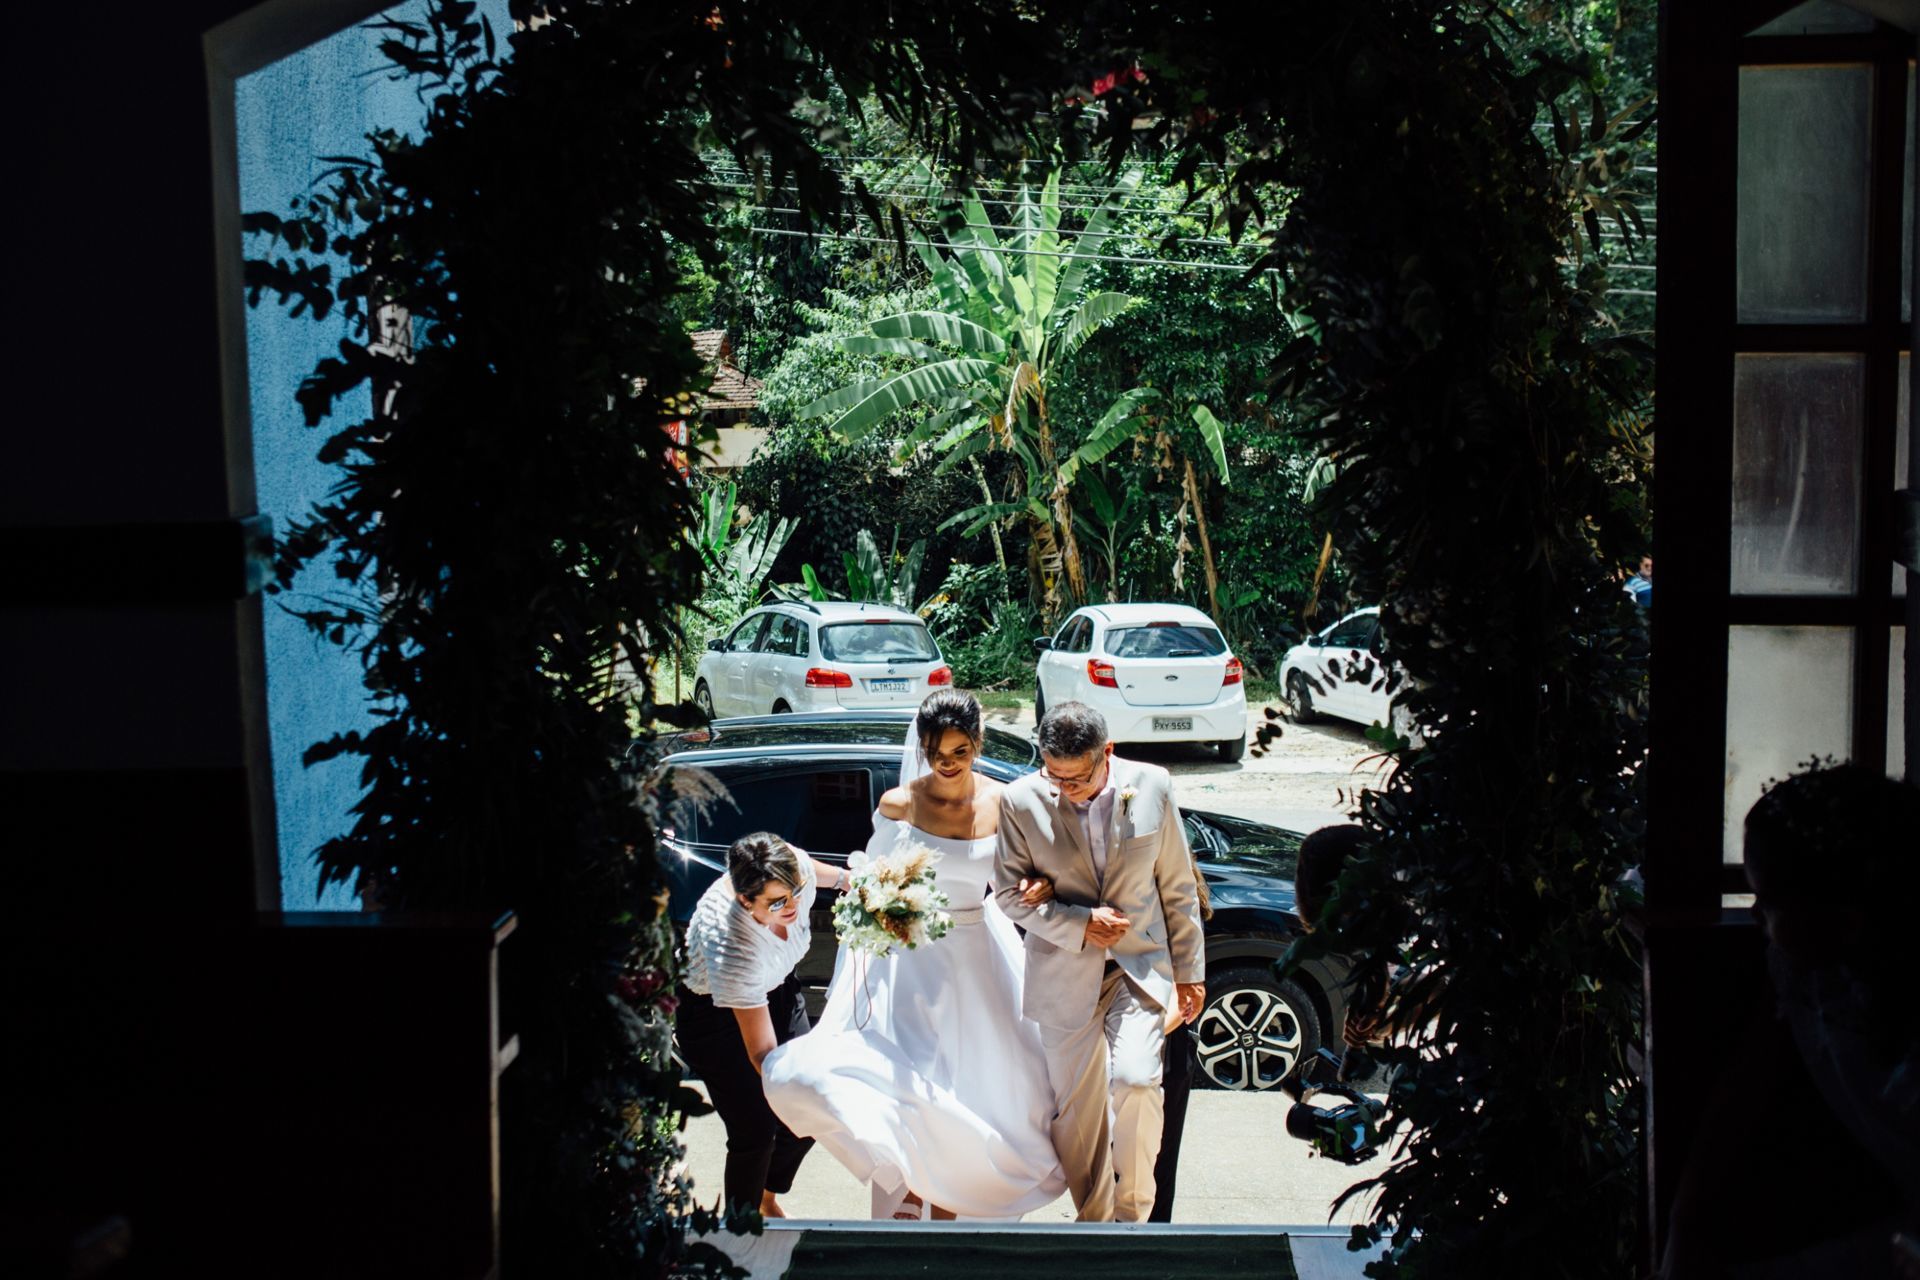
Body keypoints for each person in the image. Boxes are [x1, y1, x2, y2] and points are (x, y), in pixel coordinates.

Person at [762, 689, 1066, 1220]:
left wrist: (1038, 886)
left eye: (959, 752)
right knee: (913, 1088)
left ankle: (959, 1207)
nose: (946, 765)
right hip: (912, 967)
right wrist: (883, 908)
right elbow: (873, 880)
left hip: (980, 962)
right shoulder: (899, 804)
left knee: (982, 1091)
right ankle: (911, 1200)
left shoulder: (1006, 802)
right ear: (922, 749)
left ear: (977, 744)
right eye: (935, 753)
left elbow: (1025, 873)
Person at [994, 701, 1208, 1223]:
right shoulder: (1019, 801)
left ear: (1106, 753)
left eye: (1076, 777)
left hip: (1140, 970)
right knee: (1078, 1117)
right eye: (1054, 775)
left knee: (1136, 1080)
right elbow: (1006, 894)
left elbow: (1177, 888)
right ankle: (1094, 1226)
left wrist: (1191, 974)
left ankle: (1133, 1221)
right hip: (1063, 974)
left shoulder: (1153, 785)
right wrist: (1077, 922)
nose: (1063, 788)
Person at [676, 831, 846, 1218]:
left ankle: (766, 1197)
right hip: (714, 1018)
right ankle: (740, 1228)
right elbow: (763, 1055)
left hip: (778, 988)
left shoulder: (789, 869)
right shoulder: (732, 944)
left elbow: (810, 869)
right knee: (755, 1130)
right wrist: (788, 1091)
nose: (793, 906)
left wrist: (845, 879)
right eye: (777, 902)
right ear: (744, 900)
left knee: (812, 1108)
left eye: (796, 893)